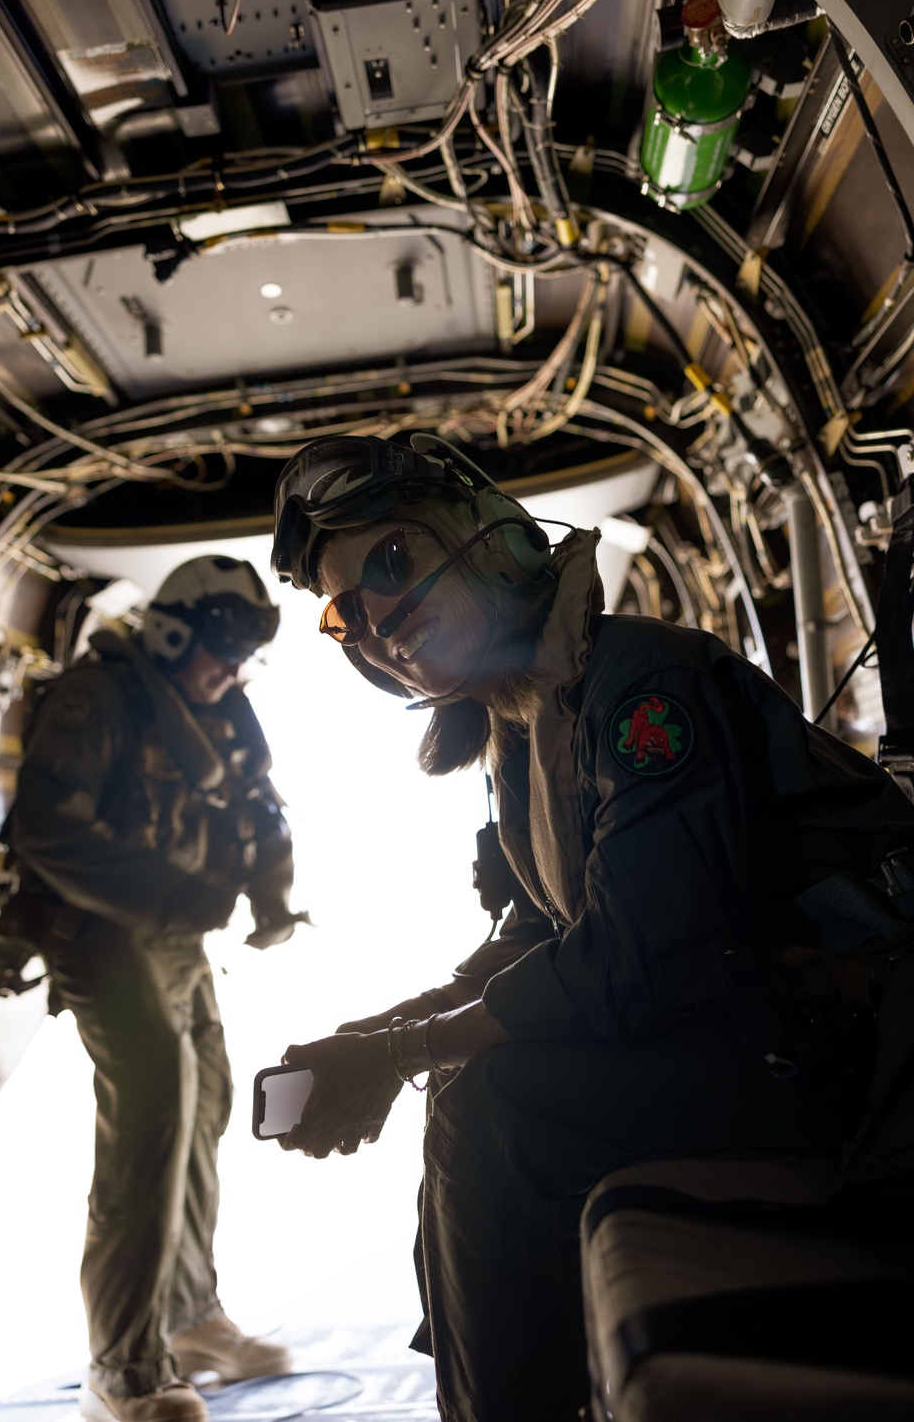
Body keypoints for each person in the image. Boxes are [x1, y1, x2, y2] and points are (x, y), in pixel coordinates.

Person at [268, 434, 914, 1422]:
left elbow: (638, 960)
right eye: (345, 610)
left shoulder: (640, 683)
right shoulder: (527, 726)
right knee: (466, 1076)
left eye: (390, 563)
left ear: (477, 538)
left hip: (864, 1060)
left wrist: (401, 1050)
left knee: (497, 1106)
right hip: (776, 1033)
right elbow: (536, 938)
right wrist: (378, 1040)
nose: (378, 622)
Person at [2, 555, 307, 1422]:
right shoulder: (97, 700)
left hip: (179, 940)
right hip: (103, 939)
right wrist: (178, 893)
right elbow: (47, 829)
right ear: (173, 631)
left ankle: (191, 1320)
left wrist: (274, 896)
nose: (230, 669)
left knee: (207, 1106)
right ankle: (122, 1371)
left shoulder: (224, 708)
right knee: (154, 1123)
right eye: (220, 649)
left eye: (244, 653)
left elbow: (260, 804)